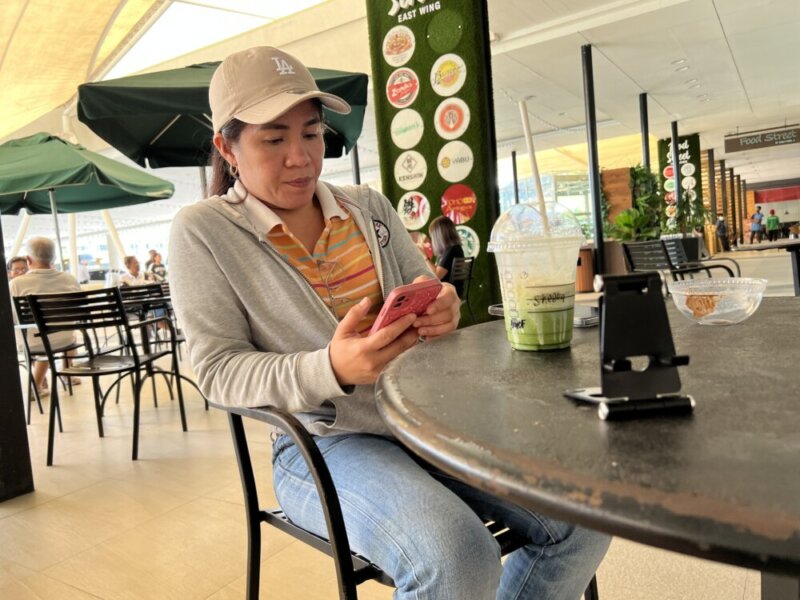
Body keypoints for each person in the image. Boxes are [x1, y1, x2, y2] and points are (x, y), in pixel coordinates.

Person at [168, 46, 609, 600]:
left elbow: (425, 287)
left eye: (312, 133)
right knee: (458, 554)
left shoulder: (366, 207)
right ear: (227, 147)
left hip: (424, 420)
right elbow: (217, 372)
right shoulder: (204, 231)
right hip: (323, 444)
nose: (301, 157)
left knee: (585, 513)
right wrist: (331, 367)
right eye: (273, 140)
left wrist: (443, 306)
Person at [10, 237, 81, 395]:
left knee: (41, 337)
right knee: (61, 335)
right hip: (65, 339)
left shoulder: (16, 284)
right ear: (54, 258)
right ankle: (65, 373)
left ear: (28, 260)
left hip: (32, 343)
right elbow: (79, 310)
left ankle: (35, 386)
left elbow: (12, 317)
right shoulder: (70, 279)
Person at [425, 215, 466, 297]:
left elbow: (436, 276)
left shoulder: (451, 251)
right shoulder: (455, 249)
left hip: (448, 293)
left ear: (438, 237)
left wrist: (424, 257)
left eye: (432, 237)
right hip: (451, 291)